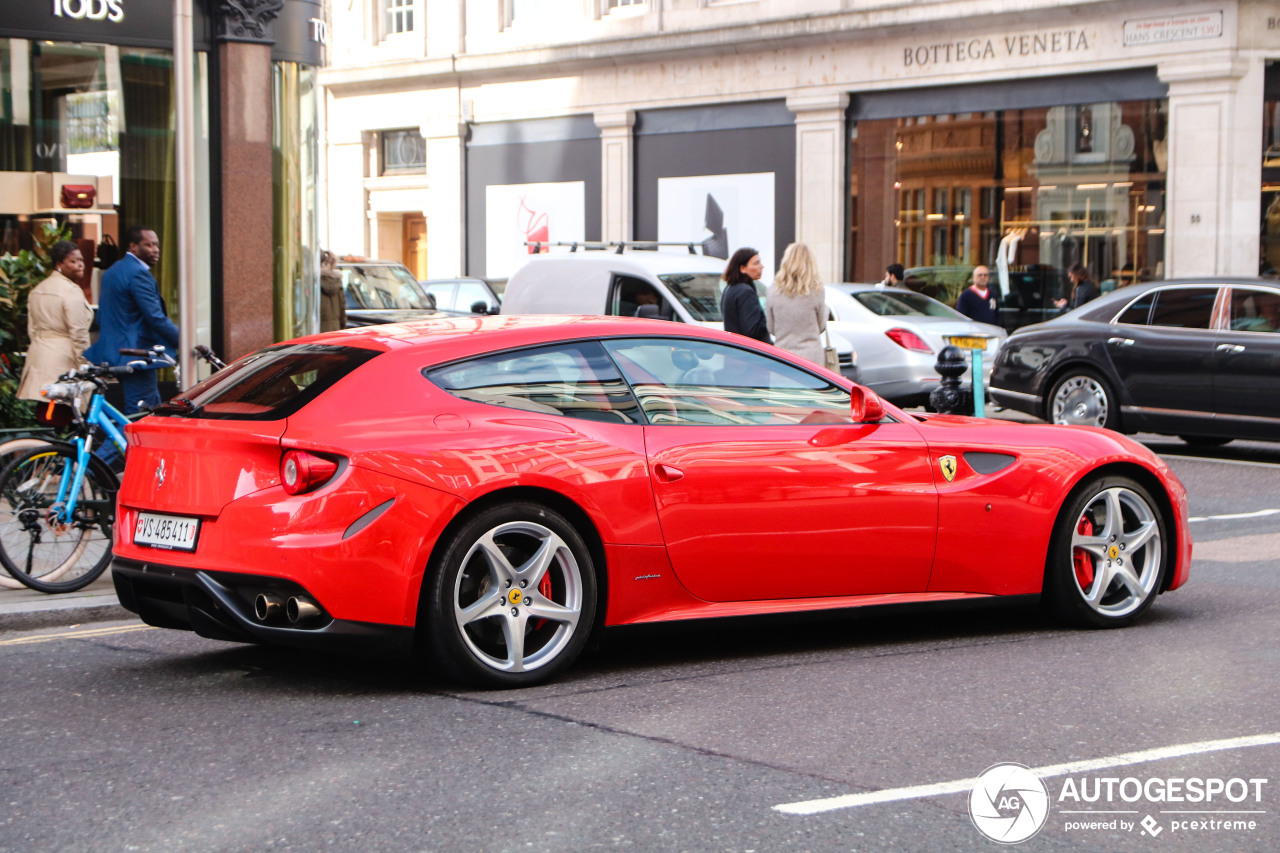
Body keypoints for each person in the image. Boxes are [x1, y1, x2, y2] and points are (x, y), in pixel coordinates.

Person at [83, 225, 179, 414]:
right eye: (149, 245)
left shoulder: (112, 271)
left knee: (150, 409)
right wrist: (184, 342)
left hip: (113, 352)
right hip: (134, 355)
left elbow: (103, 315)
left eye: (157, 244)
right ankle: (114, 445)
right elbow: (155, 317)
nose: (155, 249)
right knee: (141, 414)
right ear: (132, 247)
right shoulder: (138, 273)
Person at [16, 241, 95, 403]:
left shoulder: (37, 290)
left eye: (81, 260)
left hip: (38, 360)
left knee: (47, 417)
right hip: (63, 363)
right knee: (67, 418)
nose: (80, 265)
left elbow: (32, 330)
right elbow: (78, 333)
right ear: (59, 264)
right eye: (73, 261)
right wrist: (86, 365)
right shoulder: (70, 291)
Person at [766, 242, 827, 365]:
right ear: (810, 263)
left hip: (782, 357)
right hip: (812, 358)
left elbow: (771, 328)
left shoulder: (772, 290)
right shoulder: (817, 291)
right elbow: (821, 326)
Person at [720, 246, 770, 343]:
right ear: (742, 268)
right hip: (751, 353)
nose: (761, 266)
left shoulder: (730, 288)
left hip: (736, 350)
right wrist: (768, 318)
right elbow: (753, 330)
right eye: (756, 263)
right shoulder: (745, 292)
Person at [319, 250, 346, 332]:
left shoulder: (315, 284)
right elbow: (343, 313)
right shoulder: (338, 284)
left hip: (319, 330)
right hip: (335, 329)